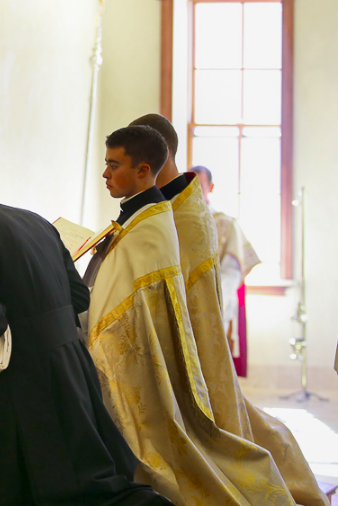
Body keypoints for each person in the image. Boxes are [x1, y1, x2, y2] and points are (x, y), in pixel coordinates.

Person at [0, 162, 173, 505]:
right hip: (72, 358)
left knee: (72, 483)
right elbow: (79, 296)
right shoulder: (31, 217)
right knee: (47, 462)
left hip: (32, 367)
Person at [86, 125, 295, 505]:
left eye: (113, 164)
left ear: (144, 167)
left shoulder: (173, 218)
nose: (105, 173)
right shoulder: (151, 212)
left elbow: (216, 282)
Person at [131, 114, 326, 506]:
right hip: (159, 322)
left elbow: (219, 277)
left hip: (192, 326)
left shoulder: (191, 215)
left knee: (214, 422)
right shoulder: (163, 206)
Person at [193, 164, 261, 376]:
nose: (194, 190)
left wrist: (210, 297)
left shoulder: (225, 223)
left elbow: (231, 272)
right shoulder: (173, 220)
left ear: (210, 187)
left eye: (199, 185)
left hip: (213, 302)